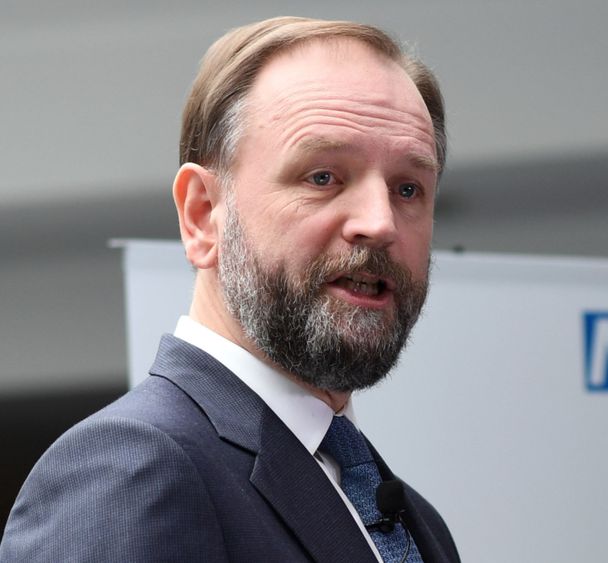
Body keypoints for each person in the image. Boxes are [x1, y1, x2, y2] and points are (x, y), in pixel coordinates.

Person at [0, 16, 459, 562]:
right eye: (322, 177)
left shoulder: (414, 522)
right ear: (202, 216)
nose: (380, 223)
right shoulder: (131, 469)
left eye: (409, 188)